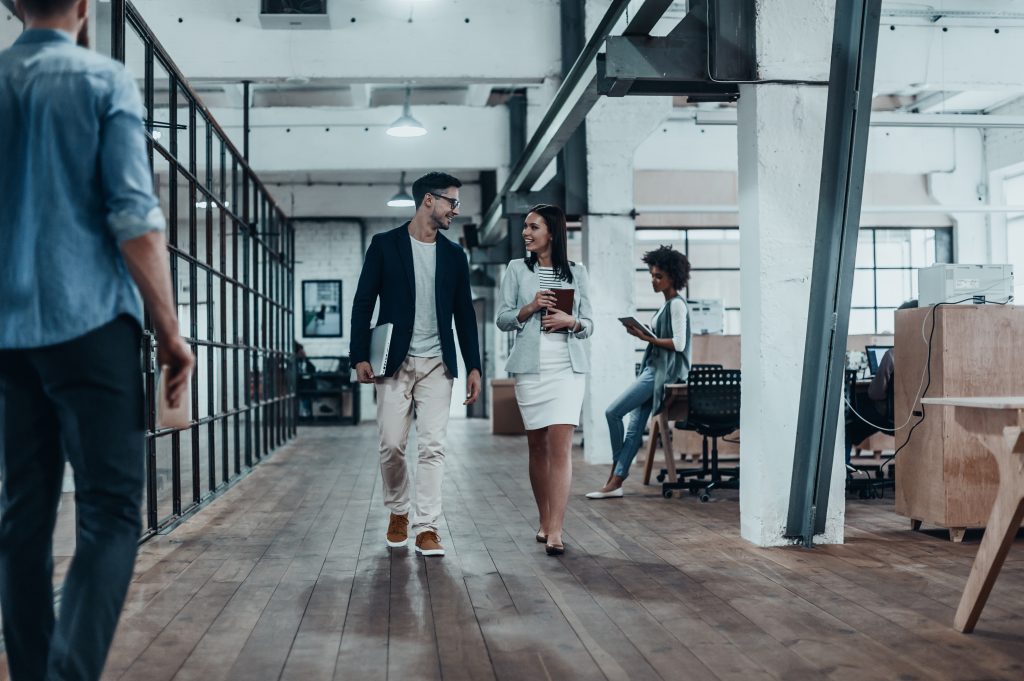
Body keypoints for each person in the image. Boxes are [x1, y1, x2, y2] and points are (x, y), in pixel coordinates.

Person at [0, 1, 194, 678]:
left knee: (22, 510)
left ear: (12, 6)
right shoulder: (102, 80)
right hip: (90, 328)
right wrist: (170, 331)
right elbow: (135, 220)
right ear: (83, 6)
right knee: (112, 508)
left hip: (7, 335)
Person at [350, 171, 482, 558]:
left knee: (433, 448)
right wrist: (359, 355)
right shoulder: (384, 245)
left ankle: (427, 527)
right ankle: (398, 512)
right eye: (451, 202)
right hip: (393, 362)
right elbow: (363, 303)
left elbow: (464, 314)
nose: (456, 210)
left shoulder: (455, 255)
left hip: (437, 364)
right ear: (429, 200)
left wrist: (473, 365)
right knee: (391, 444)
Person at [496, 205, 593, 555]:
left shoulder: (577, 272)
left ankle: (556, 530)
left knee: (561, 447)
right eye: (525, 226)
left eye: (533, 226)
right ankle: (544, 518)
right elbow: (503, 319)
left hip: (567, 368)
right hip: (530, 369)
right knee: (536, 446)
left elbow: (589, 323)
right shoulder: (516, 269)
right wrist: (531, 307)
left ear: (551, 232)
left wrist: (572, 322)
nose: (526, 232)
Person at [586, 246, 691, 499]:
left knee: (613, 412)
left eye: (658, 277)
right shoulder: (667, 306)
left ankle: (615, 471)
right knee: (634, 427)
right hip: (654, 369)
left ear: (673, 277)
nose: (653, 281)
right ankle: (616, 482)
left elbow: (679, 344)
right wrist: (643, 335)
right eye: (652, 276)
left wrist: (645, 337)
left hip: (660, 372)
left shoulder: (677, 305)